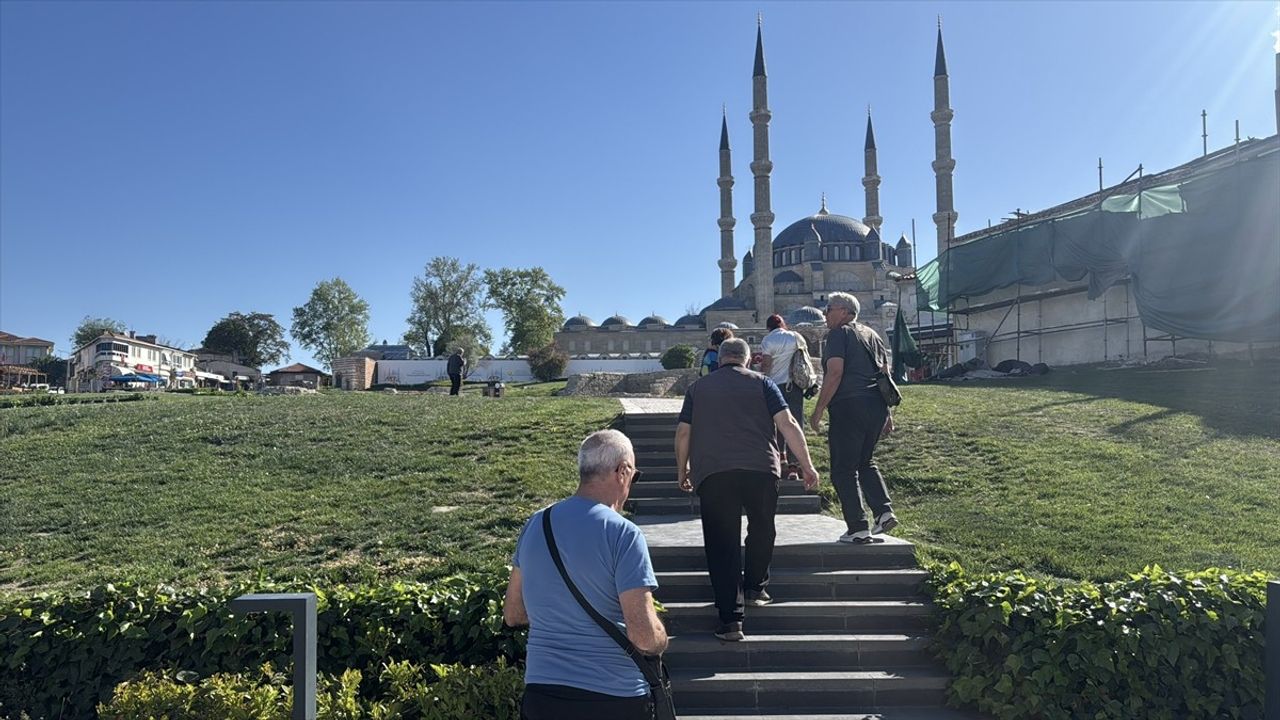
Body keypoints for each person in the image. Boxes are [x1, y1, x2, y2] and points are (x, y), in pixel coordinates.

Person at [503, 430, 667, 720]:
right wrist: (661, 637)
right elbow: (642, 636)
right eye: (634, 476)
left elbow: (514, 614)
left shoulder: (537, 524)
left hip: (543, 695)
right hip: (613, 696)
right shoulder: (623, 533)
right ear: (623, 471)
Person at [675, 338, 820, 641]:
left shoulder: (698, 389)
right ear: (746, 359)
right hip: (760, 469)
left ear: (720, 359)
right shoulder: (764, 384)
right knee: (763, 528)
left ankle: (731, 622)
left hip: (714, 473)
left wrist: (682, 469)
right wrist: (806, 465)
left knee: (722, 544)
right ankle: (755, 587)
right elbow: (788, 423)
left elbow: (684, 431)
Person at [808, 292, 899, 544]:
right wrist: (887, 415)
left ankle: (858, 527)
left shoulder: (839, 334)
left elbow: (835, 373)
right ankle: (883, 511)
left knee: (843, 470)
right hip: (875, 408)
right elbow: (884, 377)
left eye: (829, 309)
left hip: (849, 406)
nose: (825, 313)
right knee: (864, 461)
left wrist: (818, 411)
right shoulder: (872, 335)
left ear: (846, 312)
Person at [758, 314, 805, 480]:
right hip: (795, 386)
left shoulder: (768, 340)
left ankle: (779, 460)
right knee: (796, 423)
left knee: (776, 423)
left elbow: (766, 365)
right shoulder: (795, 337)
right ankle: (795, 466)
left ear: (768, 327)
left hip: (774, 387)